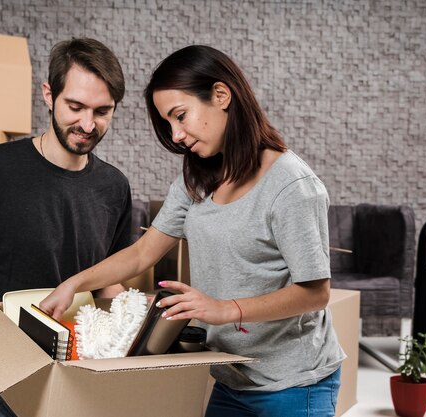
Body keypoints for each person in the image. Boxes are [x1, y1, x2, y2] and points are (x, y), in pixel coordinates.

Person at [40, 45, 345, 417]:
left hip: (294, 384)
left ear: (221, 95)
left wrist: (221, 309)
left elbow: (315, 293)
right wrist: (75, 284)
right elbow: (141, 253)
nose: (177, 135)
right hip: (231, 375)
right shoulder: (197, 180)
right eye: (168, 123)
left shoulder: (291, 186)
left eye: (180, 116)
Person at [0, 38, 132, 417]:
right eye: (75, 106)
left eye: (102, 111)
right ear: (49, 95)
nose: (88, 124)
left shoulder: (114, 187)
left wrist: (140, 322)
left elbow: (107, 280)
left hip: (78, 367)